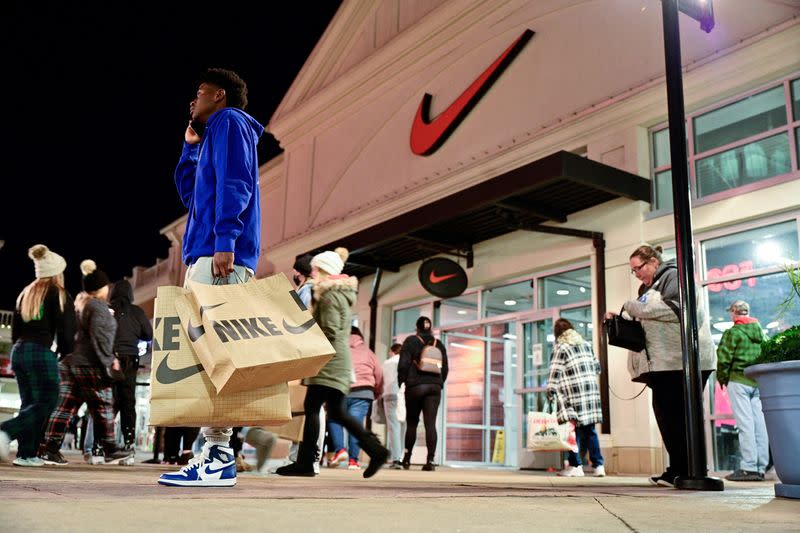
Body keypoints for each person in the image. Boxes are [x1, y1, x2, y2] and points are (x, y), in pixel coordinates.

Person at [158, 68, 264, 487]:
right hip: (206, 253)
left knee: (215, 356)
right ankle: (215, 452)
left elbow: (236, 182)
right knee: (206, 357)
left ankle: (219, 455)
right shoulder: (215, 132)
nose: (192, 99)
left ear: (219, 95)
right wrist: (189, 149)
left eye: (199, 93)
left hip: (218, 255)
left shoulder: (230, 122)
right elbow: (191, 194)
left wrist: (226, 239)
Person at [606, 244, 715, 488]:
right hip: (666, 363)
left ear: (654, 261)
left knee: (676, 416)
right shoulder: (651, 285)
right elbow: (651, 318)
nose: (637, 274)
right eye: (632, 271)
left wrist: (633, 306)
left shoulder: (673, 276)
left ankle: (688, 469)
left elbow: (680, 310)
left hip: (681, 362)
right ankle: (679, 468)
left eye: (639, 268)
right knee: (670, 416)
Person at [276, 248, 389, 478]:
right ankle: (376, 451)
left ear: (325, 270)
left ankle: (307, 462)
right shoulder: (336, 293)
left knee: (313, 407)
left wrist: (313, 347)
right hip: (335, 358)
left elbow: (330, 329)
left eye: (317, 268)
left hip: (330, 359)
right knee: (333, 412)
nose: (313, 272)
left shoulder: (328, 295)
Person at [40, 260, 133, 466]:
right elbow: (100, 338)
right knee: (104, 405)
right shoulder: (98, 308)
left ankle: (50, 448)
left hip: (72, 362)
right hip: (90, 365)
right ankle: (110, 449)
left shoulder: (80, 304)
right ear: (102, 288)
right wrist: (110, 361)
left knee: (65, 407)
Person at [0, 245, 76, 467]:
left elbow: (15, 330)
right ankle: (5, 431)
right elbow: (67, 331)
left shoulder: (27, 292)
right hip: (41, 351)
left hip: (20, 350)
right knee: (48, 400)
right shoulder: (59, 294)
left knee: (29, 403)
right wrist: (62, 352)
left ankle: (27, 454)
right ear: (57, 272)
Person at [716, 300, 769, 482]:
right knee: (760, 426)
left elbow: (724, 358)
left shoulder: (733, 332)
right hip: (757, 382)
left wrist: (722, 378)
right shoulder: (761, 333)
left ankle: (748, 468)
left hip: (738, 381)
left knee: (745, 425)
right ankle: (760, 467)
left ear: (734, 312)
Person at [546, 318, 605, 477]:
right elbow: (597, 368)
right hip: (589, 392)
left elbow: (555, 370)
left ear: (558, 333)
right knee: (590, 430)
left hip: (571, 393)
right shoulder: (586, 344)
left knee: (572, 430)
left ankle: (576, 465)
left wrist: (550, 390)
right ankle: (599, 465)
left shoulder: (561, 347)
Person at [327, 326, 384, 470]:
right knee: (356, 424)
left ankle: (340, 450)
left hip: (340, 389)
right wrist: (376, 392)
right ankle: (353, 461)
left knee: (334, 419)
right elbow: (379, 374)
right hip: (363, 392)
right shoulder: (368, 352)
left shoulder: (338, 348)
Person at [398, 316, 449, 471]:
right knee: (430, 424)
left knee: (412, 423)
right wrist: (438, 383)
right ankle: (431, 461)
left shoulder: (411, 341)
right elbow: (445, 368)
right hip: (434, 387)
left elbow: (403, 363)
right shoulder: (438, 344)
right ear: (430, 328)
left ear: (417, 327)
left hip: (415, 386)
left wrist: (401, 381)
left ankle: (406, 459)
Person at [108, 279, 153, 451]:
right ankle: (129, 442)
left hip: (110, 359)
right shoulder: (136, 311)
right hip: (130, 359)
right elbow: (148, 334)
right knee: (128, 401)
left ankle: (101, 443)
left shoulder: (108, 310)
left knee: (108, 401)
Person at [381, 343, 405, 469]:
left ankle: (396, 459)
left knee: (393, 427)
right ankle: (402, 457)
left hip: (391, 394)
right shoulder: (406, 362)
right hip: (405, 396)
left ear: (392, 351)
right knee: (403, 427)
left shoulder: (388, 362)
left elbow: (383, 380)